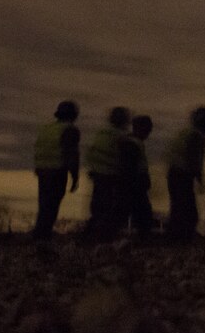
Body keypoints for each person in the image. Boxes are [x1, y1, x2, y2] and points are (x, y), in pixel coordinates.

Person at [32, 100, 80, 240]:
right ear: (73, 115)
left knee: (44, 205)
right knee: (52, 205)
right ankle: (43, 236)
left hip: (43, 171)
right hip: (57, 171)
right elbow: (71, 154)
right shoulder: (70, 130)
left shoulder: (47, 128)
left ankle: (40, 234)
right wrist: (75, 177)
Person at [166, 106, 205, 241]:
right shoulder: (197, 136)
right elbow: (194, 159)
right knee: (188, 212)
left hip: (174, 173)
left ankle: (175, 238)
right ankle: (180, 239)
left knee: (178, 208)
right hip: (183, 175)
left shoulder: (186, 132)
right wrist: (200, 180)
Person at [85, 106, 131, 235]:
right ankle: (105, 233)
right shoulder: (122, 137)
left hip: (98, 174)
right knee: (110, 206)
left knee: (98, 205)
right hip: (111, 175)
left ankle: (93, 230)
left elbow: (92, 152)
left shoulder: (102, 133)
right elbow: (125, 160)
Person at [118, 114, 154, 238]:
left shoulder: (132, 142)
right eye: (148, 129)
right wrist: (141, 182)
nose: (149, 132)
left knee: (133, 211)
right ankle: (143, 237)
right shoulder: (132, 144)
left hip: (132, 184)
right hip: (134, 185)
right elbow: (131, 168)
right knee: (143, 213)